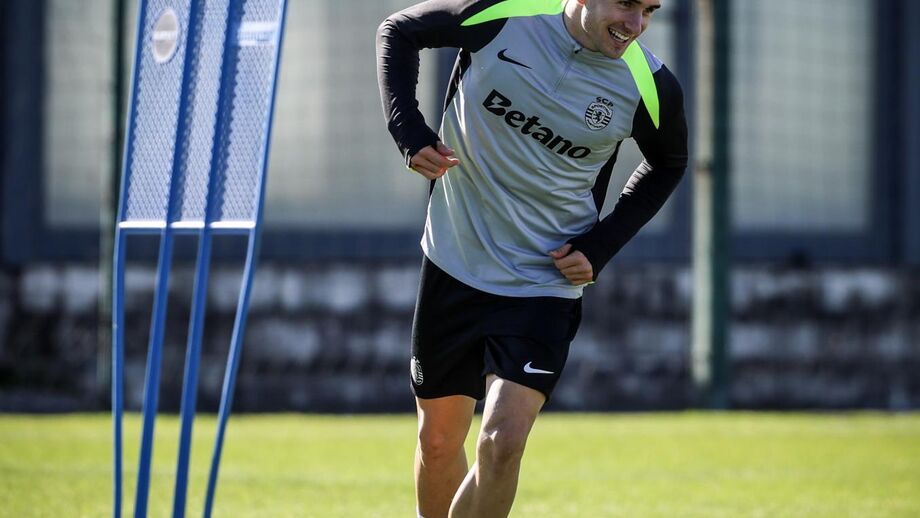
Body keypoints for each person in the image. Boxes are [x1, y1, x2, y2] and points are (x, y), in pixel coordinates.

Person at [376, 0, 687, 516]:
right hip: (455, 258)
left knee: (501, 443)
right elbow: (398, 32)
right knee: (436, 444)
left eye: (649, 11)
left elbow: (668, 163)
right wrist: (407, 130)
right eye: (626, 4)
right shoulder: (504, 15)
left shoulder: (650, 85)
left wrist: (601, 245)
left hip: (543, 283)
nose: (635, 25)